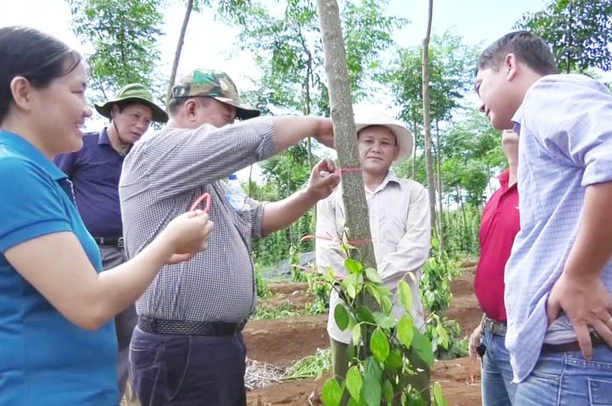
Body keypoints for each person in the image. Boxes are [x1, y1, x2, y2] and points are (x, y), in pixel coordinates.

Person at [0, 26, 213, 405]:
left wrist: (159, 253)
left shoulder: (35, 175)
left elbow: (80, 286)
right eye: (78, 91)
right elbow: (90, 303)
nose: (85, 108)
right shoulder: (5, 174)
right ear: (24, 93)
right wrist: (164, 244)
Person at [119, 68, 340, 405]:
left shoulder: (215, 181)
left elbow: (256, 219)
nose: (232, 127)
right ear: (191, 109)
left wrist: (310, 194)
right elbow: (249, 140)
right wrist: (313, 125)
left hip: (218, 347)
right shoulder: (155, 152)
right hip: (180, 349)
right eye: (227, 115)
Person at [475, 30, 612, 405]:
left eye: (479, 85)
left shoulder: (547, 95)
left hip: (573, 361)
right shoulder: (539, 123)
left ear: (509, 65)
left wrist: (581, 273)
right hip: (565, 358)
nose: (479, 104)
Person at [55, 83, 168, 404]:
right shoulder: (82, 147)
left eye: (147, 121)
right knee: (90, 330)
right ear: (115, 112)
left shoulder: (142, 157)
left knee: (130, 333)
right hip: (92, 253)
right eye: (134, 116)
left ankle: (122, 398)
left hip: (133, 252)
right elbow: (55, 189)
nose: (140, 126)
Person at [315, 106, 431, 401]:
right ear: (354, 147)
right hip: (349, 323)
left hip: (402, 318)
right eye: (368, 141)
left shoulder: (413, 193)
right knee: (351, 395)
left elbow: (415, 250)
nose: (376, 148)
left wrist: (368, 282)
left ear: (394, 152)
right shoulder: (331, 194)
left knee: (411, 396)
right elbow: (327, 252)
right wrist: (356, 288)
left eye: (385, 142)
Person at [468, 129, 519, 406]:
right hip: (492, 335)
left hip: (526, 340)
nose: (513, 122)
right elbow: (496, 264)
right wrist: (483, 324)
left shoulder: (548, 192)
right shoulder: (497, 194)